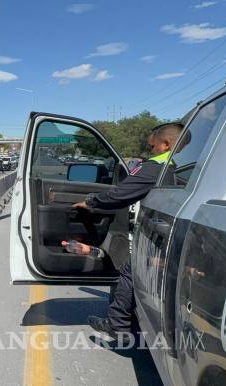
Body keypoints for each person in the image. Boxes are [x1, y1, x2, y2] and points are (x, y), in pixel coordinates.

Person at [70, 122, 185, 339]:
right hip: (179, 234)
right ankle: (130, 322)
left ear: (165, 145)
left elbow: (119, 195)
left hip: (159, 236)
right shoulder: (180, 169)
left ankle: (118, 325)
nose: (150, 150)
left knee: (129, 272)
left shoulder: (154, 168)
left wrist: (90, 202)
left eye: (152, 146)